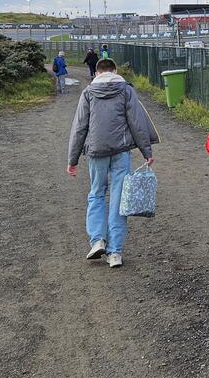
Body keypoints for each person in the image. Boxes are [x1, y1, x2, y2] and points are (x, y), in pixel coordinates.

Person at [67, 58, 158, 268]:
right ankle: (115, 253)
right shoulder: (126, 90)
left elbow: (80, 127)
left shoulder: (88, 93)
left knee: (97, 193)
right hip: (121, 151)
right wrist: (147, 151)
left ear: (97, 73)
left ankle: (97, 239)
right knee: (119, 200)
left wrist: (73, 160)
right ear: (115, 71)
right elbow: (136, 122)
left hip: (96, 152)